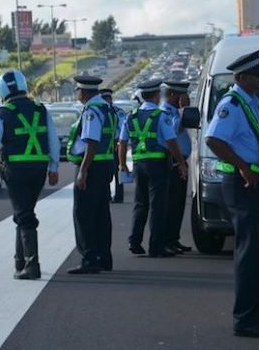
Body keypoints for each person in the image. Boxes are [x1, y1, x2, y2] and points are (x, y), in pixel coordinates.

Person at [205, 48, 259, 339]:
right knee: (249, 252)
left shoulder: (250, 102)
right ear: (242, 77)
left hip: (256, 184)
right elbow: (214, 139)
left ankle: (255, 309)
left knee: (258, 251)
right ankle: (245, 318)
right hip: (243, 185)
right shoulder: (232, 104)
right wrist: (243, 168)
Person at [0, 69, 60, 280]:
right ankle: (20, 262)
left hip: (15, 171)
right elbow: (53, 140)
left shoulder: (2, 112)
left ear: (2, 90)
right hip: (38, 170)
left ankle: (31, 265)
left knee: (24, 215)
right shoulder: (40, 109)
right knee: (24, 212)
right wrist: (54, 167)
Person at [118, 79, 187, 258]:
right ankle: (156, 246)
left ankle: (134, 241)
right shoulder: (160, 116)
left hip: (139, 164)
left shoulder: (131, 116)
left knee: (140, 204)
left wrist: (122, 163)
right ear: (156, 96)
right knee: (158, 205)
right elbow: (172, 141)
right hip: (158, 164)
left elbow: (122, 142)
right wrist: (180, 163)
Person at [66, 75, 117, 274]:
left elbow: (92, 141)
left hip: (93, 166)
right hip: (105, 163)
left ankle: (89, 258)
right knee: (101, 213)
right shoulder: (107, 108)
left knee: (83, 213)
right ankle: (104, 257)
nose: (77, 94)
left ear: (83, 92)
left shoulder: (91, 111)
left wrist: (83, 170)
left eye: (77, 90)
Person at [160, 80, 192, 254]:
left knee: (179, 203)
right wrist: (181, 112)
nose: (185, 98)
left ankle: (174, 238)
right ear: (173, 96)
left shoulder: (174, 111)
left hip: (180, 160)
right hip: (172, 161)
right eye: (182, 95)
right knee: (170, 203)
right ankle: (166, 239)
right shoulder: (165, 112)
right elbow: (171, 134)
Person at [100, 88, 127, 203]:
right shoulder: (117, 111)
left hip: (111, 145)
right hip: (110, 145)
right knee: (109, 172)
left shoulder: (115, 111)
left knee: (114, 171)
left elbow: (122, 129)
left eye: (108, 98)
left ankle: (116, 196)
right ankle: (109, 195)